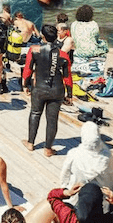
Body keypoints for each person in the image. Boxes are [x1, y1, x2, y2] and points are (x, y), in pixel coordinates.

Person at [21, 25, 71, 157]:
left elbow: (28, 69)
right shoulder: (63, 55)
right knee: (52, 119)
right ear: (56, 37)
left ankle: (31, 143)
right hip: (57, 90)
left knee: (35, 113)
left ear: (43, 36)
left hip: (40, 89)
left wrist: (25, 84)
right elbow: (67, 76)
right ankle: (48, 149)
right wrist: (70, 94)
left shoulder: (34, 50)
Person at [44, 183, 113, 223]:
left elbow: (52, 197)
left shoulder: (68, 217)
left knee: (66, 206)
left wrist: (68, 193)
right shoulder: (110, 220)